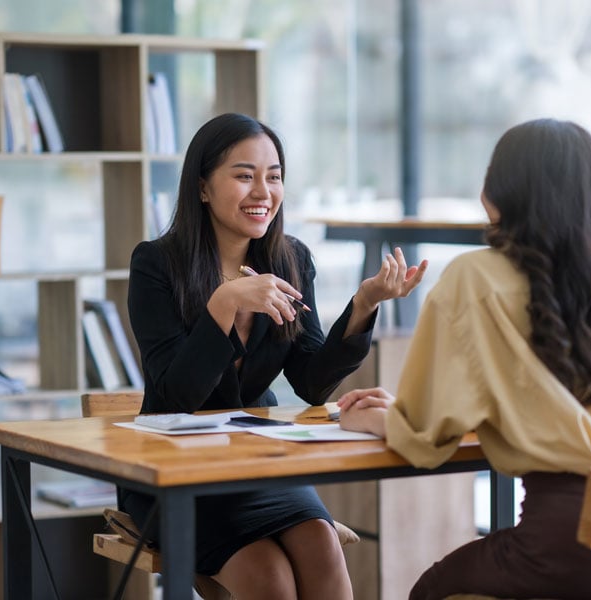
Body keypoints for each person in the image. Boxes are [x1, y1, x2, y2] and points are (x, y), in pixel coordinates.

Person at [338, 119, 591, 600]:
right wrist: (404, 408)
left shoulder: (474, 277)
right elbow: (552, 401)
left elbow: (425, 440)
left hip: (581, 542)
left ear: (499, 189)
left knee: (431, 590)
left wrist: (378, 421)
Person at [124, 112, 427, 599]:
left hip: (257, 464)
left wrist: (364, 304)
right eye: (244, 176)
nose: (262, 192)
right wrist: (225, 304)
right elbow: (178, 393)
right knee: (267, 576)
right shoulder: (156, 265)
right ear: (202, 188)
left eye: (274, 176)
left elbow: (309, 380)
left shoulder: (290, 259)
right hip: (176, 474)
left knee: (321, 544)